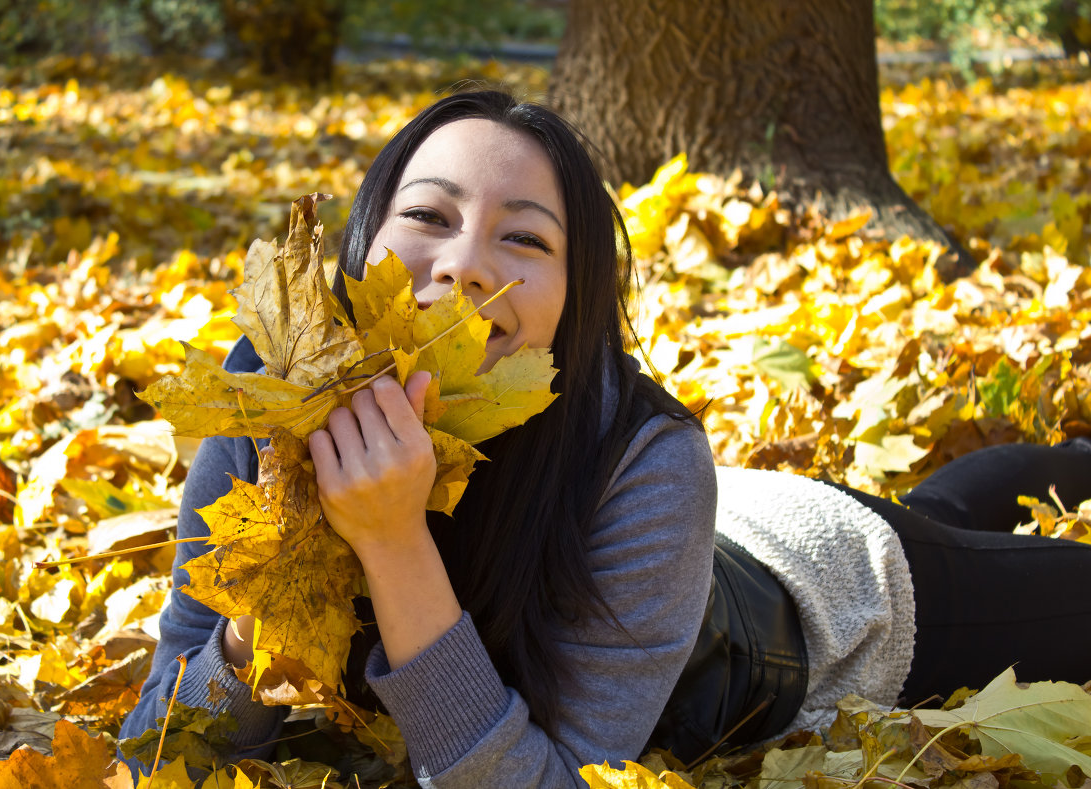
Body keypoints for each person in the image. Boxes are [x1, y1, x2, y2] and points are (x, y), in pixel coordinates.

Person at [120, 90, 1091, 787]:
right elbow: (157, 748)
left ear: (577, 305)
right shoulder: (271, 393)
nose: (463, 268)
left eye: (526, 240)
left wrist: (392, 542)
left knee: (1004, 559)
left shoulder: (646, 460)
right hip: (707, 547)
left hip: (838, 596)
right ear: (362, 238)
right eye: (427, 215)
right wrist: (286, 579)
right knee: (952, 501)